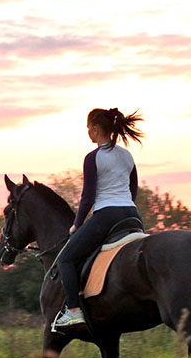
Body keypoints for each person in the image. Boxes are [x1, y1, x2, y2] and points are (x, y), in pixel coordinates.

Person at [53, 107, 145, 328]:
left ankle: (74, 310)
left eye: (88, 128)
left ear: (95, 128)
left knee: (67, 258)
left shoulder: (93, 158)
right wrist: (124, 203)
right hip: (132, 214)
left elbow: (88, 196)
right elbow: (133, 189)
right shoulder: (127, 155)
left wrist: (77, 224)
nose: (88, 133)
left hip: (107, 215)